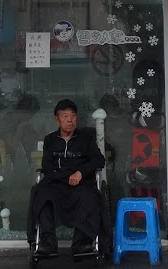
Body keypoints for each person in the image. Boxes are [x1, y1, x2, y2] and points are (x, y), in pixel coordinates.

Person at [27, 99, 106, 258]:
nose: (70, 120)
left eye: (73, 116)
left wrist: (80, 173)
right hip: (56, 184)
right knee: (41, 193)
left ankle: (81, 243)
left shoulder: (85, 139)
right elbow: (47, 167)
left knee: (89, 195)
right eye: (65, 116)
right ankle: (48, 242)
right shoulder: (50, 140)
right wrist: (66, 177)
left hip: (81, 184)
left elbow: (99, 160)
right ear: (57, 119)